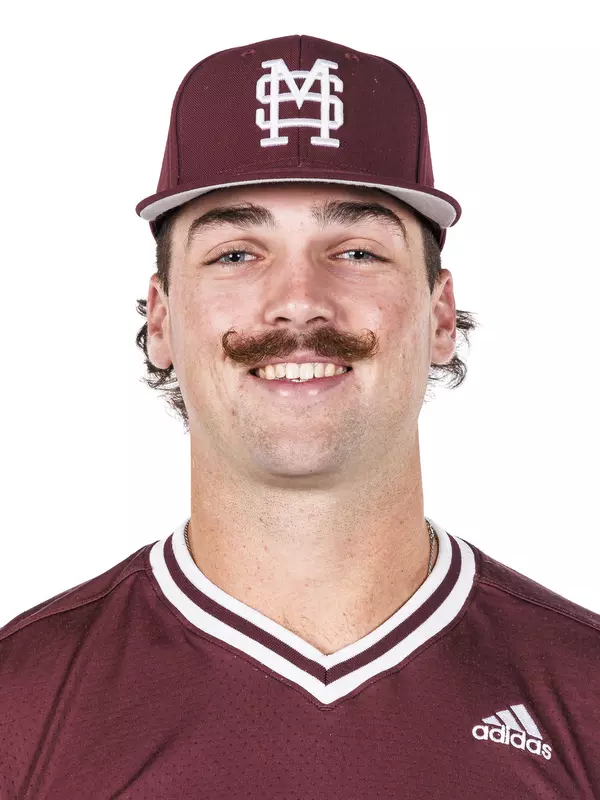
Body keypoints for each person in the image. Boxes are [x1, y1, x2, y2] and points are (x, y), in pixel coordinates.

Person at [1, 34, 598, 799]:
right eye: (236, 255)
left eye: (354, 252)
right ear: (160, 321)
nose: (299, 301)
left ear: (440, 314)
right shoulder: (21, 705)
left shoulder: (584, 694)